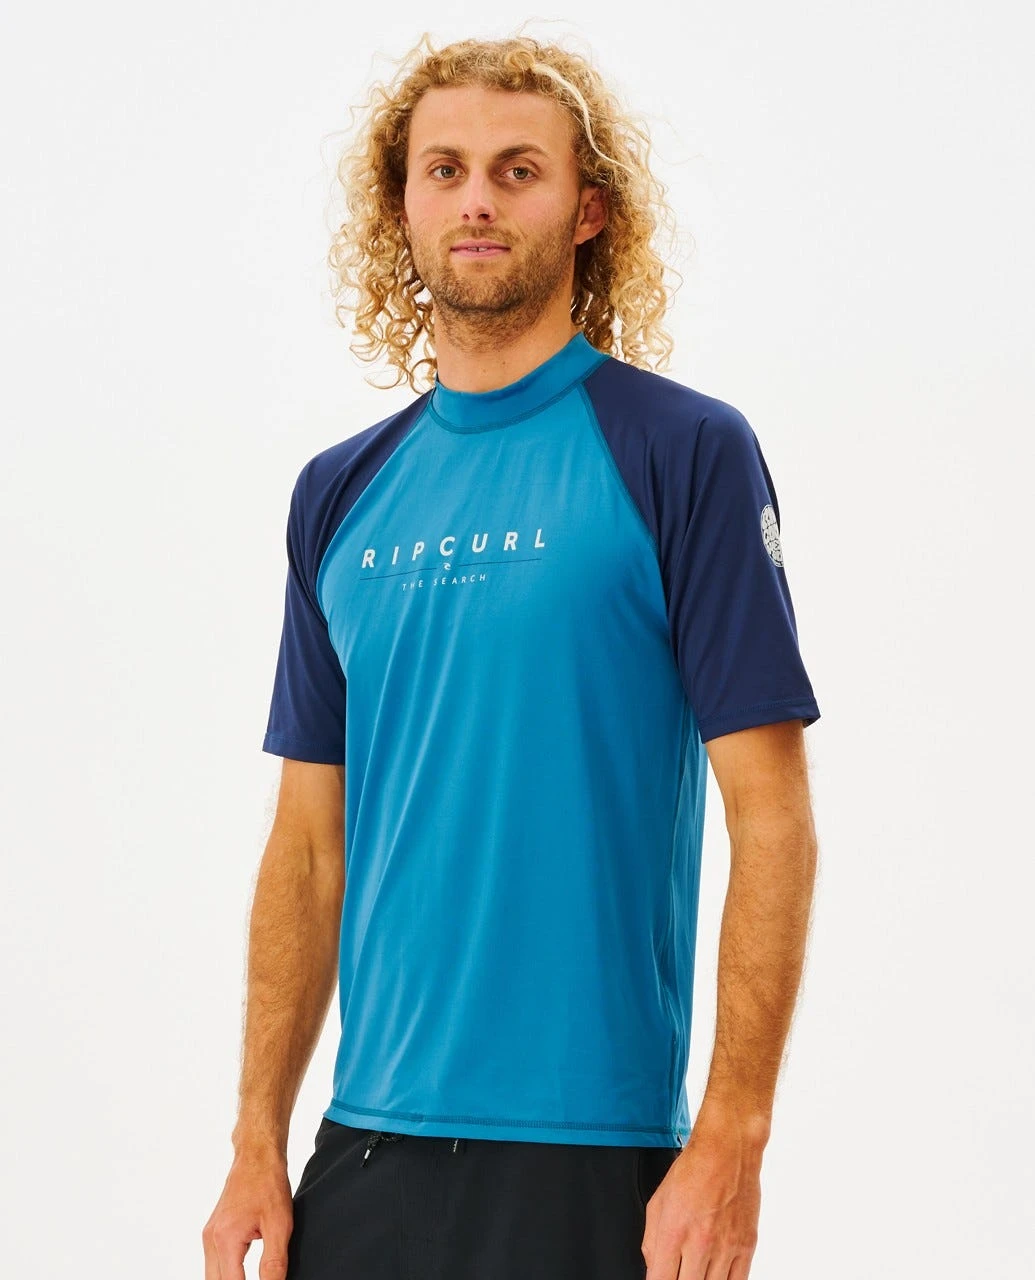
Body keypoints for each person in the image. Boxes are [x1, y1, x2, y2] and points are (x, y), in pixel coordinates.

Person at [202, 31, 821, 1280]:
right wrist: (255, 1139)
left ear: (589, 210)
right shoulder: (339, 492)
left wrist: (732, 1137)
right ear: (404, 207)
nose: (476, 198)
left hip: (589, 1155)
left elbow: (773, 818)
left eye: (517, 169)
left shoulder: (683, 451)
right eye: (445, 169)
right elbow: (308, 845)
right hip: (364, 1152)